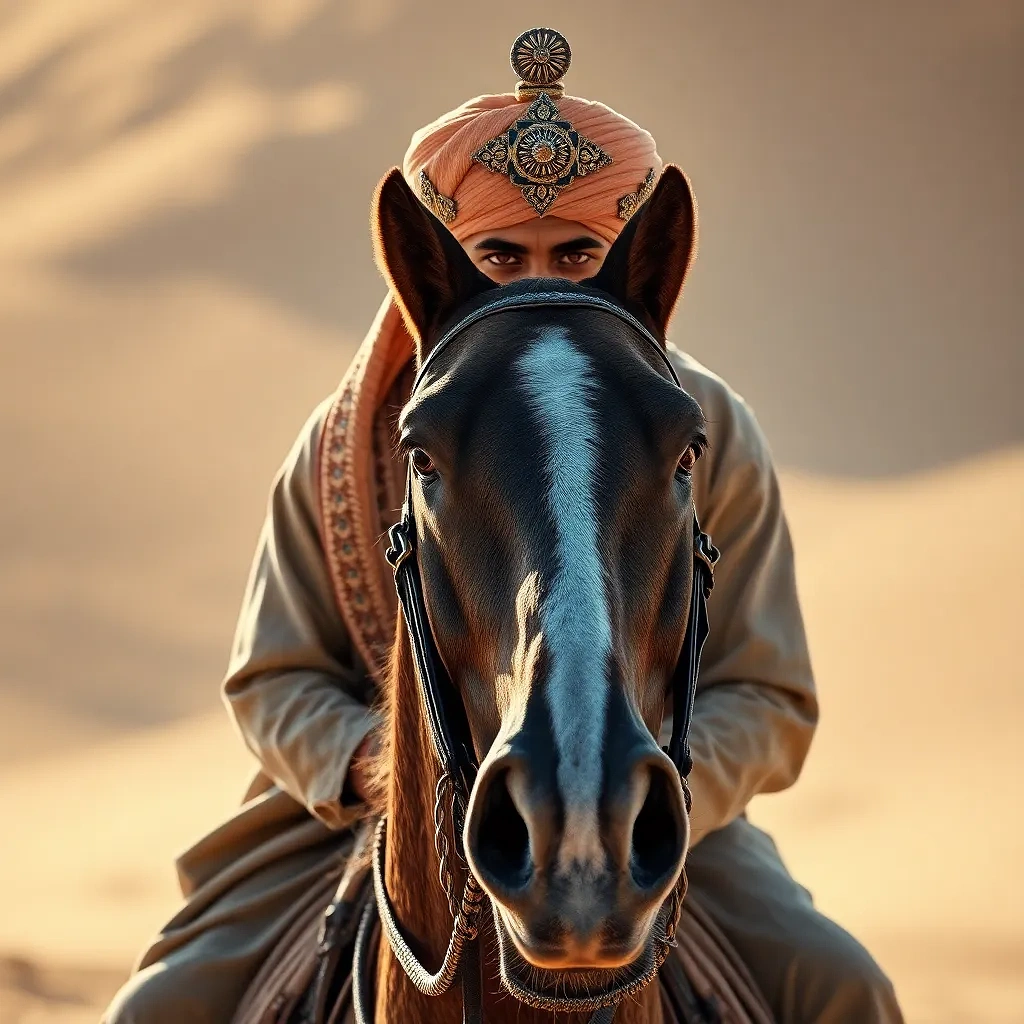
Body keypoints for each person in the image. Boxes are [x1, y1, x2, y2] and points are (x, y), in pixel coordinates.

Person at [103, 28, 902, 1024]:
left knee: (843, 990)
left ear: (628, 262)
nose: (537, 282)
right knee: (158, 1011)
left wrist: (645, 792)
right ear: (440, 269)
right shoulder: (345, 441)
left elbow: (770, 695)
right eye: (500, 255)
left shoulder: (702, 428)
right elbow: (272, 680)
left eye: (575, 254)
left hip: (646, 801)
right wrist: (383, 769)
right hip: (361, 814)